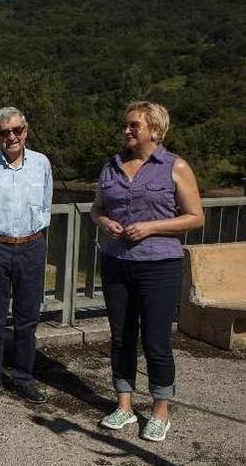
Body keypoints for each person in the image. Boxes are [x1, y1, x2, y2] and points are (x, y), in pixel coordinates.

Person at [90, 101, 204, 442]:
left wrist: (152, 227)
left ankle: (159, 411)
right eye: (126, 125)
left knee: (156, 340)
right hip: (116, 263)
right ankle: (124, 404)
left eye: (134, 125)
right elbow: (96, 209)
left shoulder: (175, 166)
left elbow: (196, 217)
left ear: (154, 130)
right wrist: (105, 221)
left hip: (160, 266)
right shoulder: (111, 167)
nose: (127, 130)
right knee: (121, 336)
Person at [0, 107, 52, 405]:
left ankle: (23, 378)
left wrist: (37, 242)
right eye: (5, 132)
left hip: (32, 246)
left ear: (26, 131)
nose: (12, 137)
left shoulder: (41, 164)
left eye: (17, 130)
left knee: (28, 318)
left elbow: (46, 205)